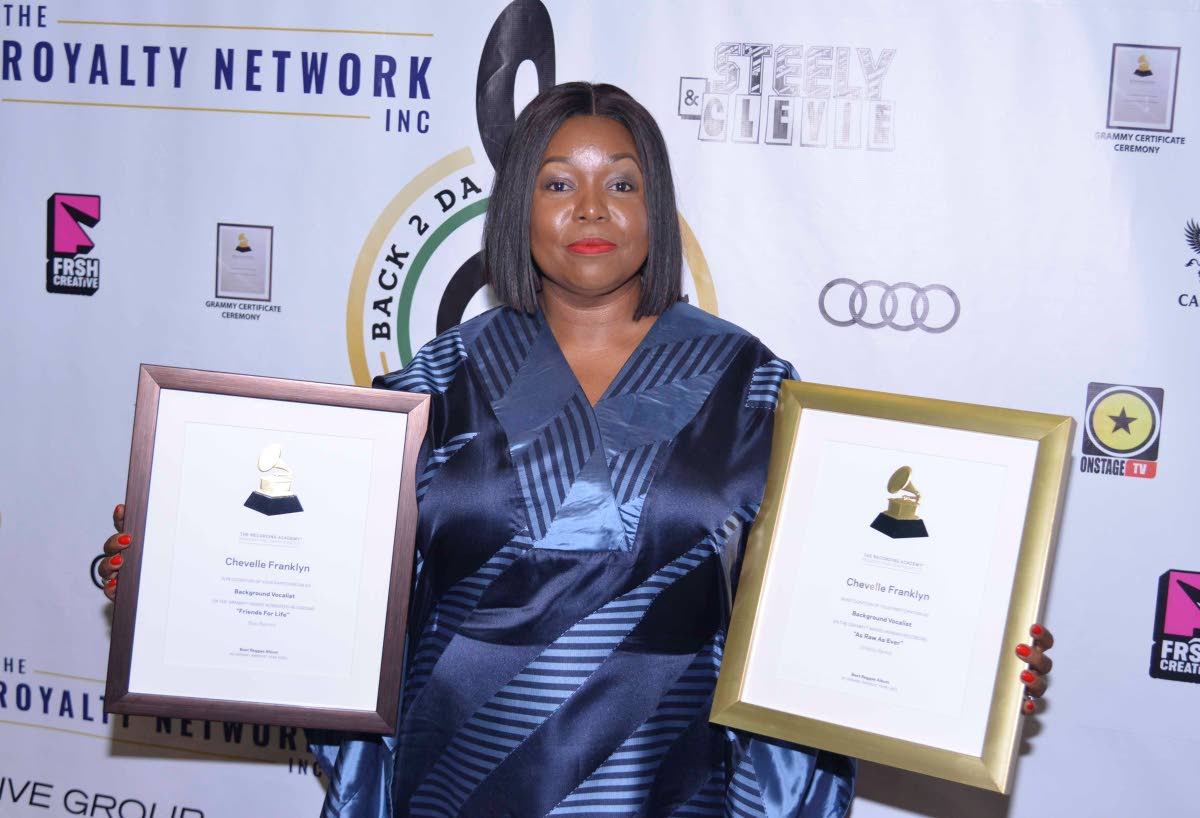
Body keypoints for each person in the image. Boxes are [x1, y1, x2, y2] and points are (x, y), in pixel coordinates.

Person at [100, 82, 1054, 817]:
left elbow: (834, 599)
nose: (591, 210)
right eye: (559, 183)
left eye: (621, 183)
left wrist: (970, 653)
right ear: (518, 207)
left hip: (667, 785)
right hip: (454, 780)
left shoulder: (755, 388)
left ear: (656, 207)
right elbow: (330, 587)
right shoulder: (428, 387)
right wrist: (173, 571)